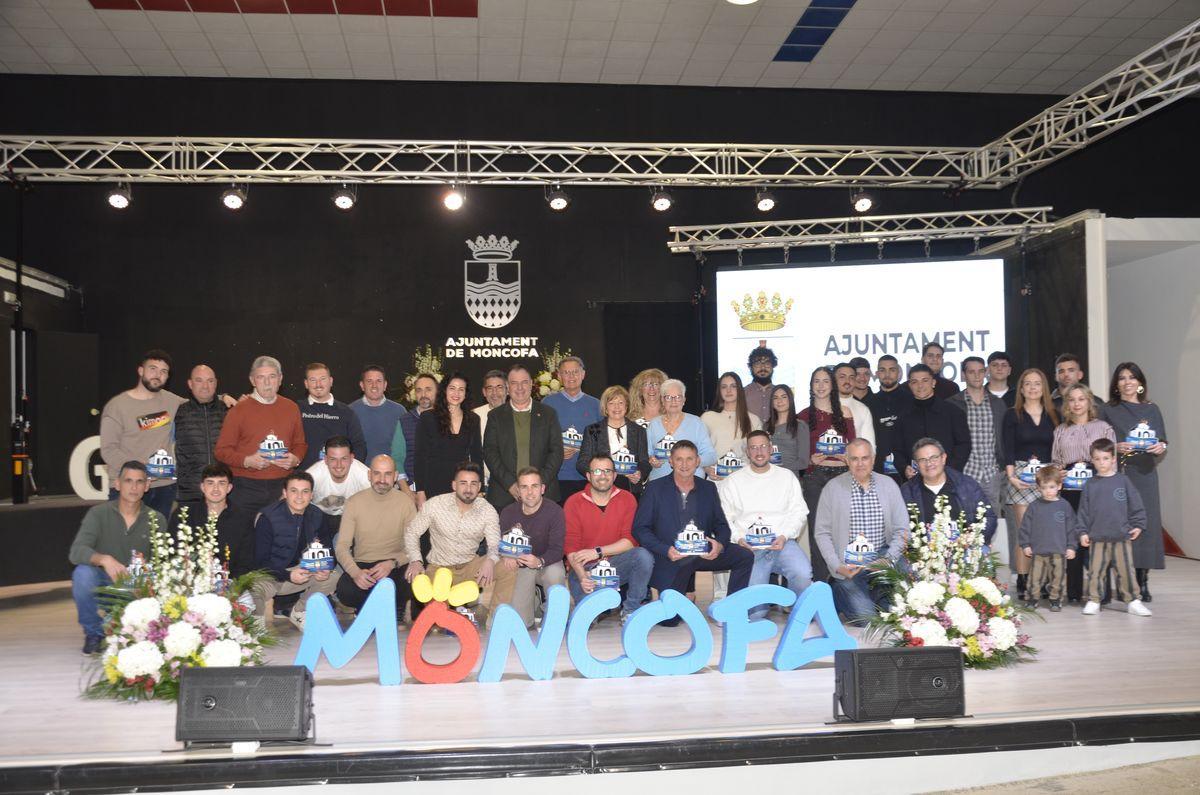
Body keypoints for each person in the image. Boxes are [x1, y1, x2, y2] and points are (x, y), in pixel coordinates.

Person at [632, 441, 754, 621]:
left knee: (744, 556)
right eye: (679, 459)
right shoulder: (654, 488)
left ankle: (733, 611)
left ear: (697, 461)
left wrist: (719, 544)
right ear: (671, 462)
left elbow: (721, 524)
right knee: (670, 621)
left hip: (701, 552)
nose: (684, 464)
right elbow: (640, 529)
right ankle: (668, 601)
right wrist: (665, 550)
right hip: (672, 557)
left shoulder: (708, 488)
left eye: (689, 459)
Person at [403, 462, 517, 628]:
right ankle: (450, 606)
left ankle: (496, 621)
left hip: (470, 567)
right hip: (439, 568)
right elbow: (412, 532)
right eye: (463, 483)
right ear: (454, 485)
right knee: (433, 615)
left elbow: (494, 544)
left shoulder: (487, 510)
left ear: (480, 487)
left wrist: (491, 560)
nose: (468, 489)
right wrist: (415, 560)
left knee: (508, 566)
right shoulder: (435, 504)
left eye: (473, 484)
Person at [68, 461, 161, 655]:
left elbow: (161, 563)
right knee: (82, 574)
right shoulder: (98, 514)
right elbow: (76, 552)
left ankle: (124, 628)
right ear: (117, 484)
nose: (133, 487)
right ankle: (94, 633)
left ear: (147, 486)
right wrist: (104, 559)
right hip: (104, 584)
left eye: (139, 482)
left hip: (136, 588)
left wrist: (145, 575)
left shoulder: (156, 519)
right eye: (128, 481)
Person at [813, 439, 909, 624]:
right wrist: (836, 565)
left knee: (898, 614)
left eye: (865, 458)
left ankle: (875, 592)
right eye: (854, 459)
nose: (860, 464)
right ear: (847, 460)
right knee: (869, 621)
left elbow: (902, 530)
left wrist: (888, 559)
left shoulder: (889, 485)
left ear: (873, 459)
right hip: (848, 566)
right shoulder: (832, 488)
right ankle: (840, 591)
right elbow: (822, 533)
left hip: (881, 558)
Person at [718, 430, 811, 618]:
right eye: (753, 447)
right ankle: (760, 606)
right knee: (753, 616)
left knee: (803, 573)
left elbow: (799, 511)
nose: (759, 452)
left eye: (763, 446)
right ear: (746, 451)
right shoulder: (733, 481)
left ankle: (795, 609)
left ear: (770, 448)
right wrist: (739, 539)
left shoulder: (787, 477)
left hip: (783, 543)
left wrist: (785, 536)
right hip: (752, 549)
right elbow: (724, 518)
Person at [1101, 362, 1168, 603]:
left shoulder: (1152, 409)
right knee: (1121, 526)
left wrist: (1161, 446)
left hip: (1146, 474)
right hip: (1120, 474)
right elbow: (1099, 444)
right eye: (1122, 378)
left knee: (1146, 527)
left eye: (1132, 377)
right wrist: (1114, 447)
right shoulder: (1108, 410)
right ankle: (1122, 580)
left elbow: (1163, 441)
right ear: (1116, 384)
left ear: (1140, 383)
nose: (1127, 382)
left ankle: (1142, 581)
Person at [564, 454, 655, 621]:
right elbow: (570, 547)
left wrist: (597, 552)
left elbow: (630, 541)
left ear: (614, 475)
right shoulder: (573, 502)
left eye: (607, 471)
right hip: (585, 570)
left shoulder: (627, 499)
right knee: (585, 619)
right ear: (588, 476)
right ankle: (592, 606)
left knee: (643, 556)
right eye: (597, 471)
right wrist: (583, 576)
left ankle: (630, 610)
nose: (603, 476)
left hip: (616, 567)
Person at [214, 355, 306, 515]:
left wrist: (295, 459)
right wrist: (247, 461)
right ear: (252, 380)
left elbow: (300, 444)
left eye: (272, 376)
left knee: (280, 538)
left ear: (280, 379)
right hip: (245, 487)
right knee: (244, 538)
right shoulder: (238, 411)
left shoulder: (291, 408)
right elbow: (221, 451)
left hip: (282, 486)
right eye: (261, 377)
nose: (267, 382)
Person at [99, 349, 185, 517]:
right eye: (152, 369)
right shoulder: (117, 406)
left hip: (163, 487)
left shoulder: (172, 401)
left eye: (163, 371)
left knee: (158, 541)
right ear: (140, 371)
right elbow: (108, 450)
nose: (157, 375)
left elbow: (200, 403)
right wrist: (139, 471)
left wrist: (223, 397)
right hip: (128, 487)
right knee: (123, 540)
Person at [250, 471, 338, 631]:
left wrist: (324, 568)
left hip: (303, 571)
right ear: (284, 493)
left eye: (305, 491)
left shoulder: (317, 515)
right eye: (293, 491)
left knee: (332, 577)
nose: (299, 497)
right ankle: (257, 620)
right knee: (256, 585)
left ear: (311, 495)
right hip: (273, 575)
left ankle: (299, 612)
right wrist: (288, 575)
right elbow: (260, 562)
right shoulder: (268, 518)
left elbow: (329, 552)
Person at [1051, 383, 1115, 603]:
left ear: (1089, 401)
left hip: (1096, 488)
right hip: (1070, 490)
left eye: (1081, 399)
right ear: (1067, 404)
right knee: (1073, 539)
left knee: (1097, 539)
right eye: (1072, 399)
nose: (1077, 403)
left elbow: (1111, 461)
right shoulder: (1060, 430)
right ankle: (1075, 592)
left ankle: (1102, 591)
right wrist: (1059, 473)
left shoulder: (1104, 428)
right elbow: (1057, 462)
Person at [334, 454, 418, 619]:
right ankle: (374, 609)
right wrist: (355, 573)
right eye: (377, 473)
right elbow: (342, 547)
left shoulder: (406, 503)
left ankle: (385, 608)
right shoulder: (354, 502)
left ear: (395, 476)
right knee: (345, 589)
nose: (382, 479)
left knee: (414, 581)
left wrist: (393, 563)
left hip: (395, 565)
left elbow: (413, 545)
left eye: (387, 474)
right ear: (369, 475)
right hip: (364, 567)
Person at [1077, 438, 1151, 617]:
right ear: (1092, 461)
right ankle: (1094, 600)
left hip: (1121, 536)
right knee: (1096, 571)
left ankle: (1133, 600)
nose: (1102, 463)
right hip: (1097, 537)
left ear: (1113, 459)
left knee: (1126, 570)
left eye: (1105, 458)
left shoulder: (1123, 481)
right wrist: (1082, 532)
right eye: (1097, 459)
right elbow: (1083, 512)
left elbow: (1136, 505)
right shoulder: (1090, 485)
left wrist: (1139, 525)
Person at [1001, 368, 1058, 601]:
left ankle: (1042, 580)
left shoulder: (1054, 415)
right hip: (1021, 477)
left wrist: (1054, 476)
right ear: (1021, 388)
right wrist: (1012, 476)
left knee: (1044, 532)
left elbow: (1058, 447)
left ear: (1043, 387)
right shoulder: (1012, 414)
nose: (1033, 387)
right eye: (1028, 383)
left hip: (1047, 477)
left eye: (1037, 383)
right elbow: (1007, 448)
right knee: (1025, 533)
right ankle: (1023, 580)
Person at [798, 366, 856, 584]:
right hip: (815, 478)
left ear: (832, 385)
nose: (821, 386)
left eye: (825, 381)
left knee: (844, 533)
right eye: (816, 381)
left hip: (842, 478)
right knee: (817, 535)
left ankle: (845, 588)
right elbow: (800, 454)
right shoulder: (803, 416)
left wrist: (847, 457)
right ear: (811, 386)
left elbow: (854, 448)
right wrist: (810, 460)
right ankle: (821, 589)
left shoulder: (846, 412)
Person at [483, 364, 564, 510]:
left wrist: (537, 485)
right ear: (508, 386)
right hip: (504, 494)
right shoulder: (495, 416)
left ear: (531, 384)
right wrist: (510, 484)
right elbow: (490, 452)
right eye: (514, 383)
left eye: (524, 382)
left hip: (544, 494)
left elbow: (557, 452)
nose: (519, 388)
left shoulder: (548, 414)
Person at [498, 468, 567, 628]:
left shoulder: (555, 511)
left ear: (542, 489)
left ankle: (552, 615)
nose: (530, 492)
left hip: (546, 562)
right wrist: (506, 555)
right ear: (518, 490)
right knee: (520, 623)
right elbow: (501, 542)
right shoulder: (508, 513)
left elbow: (558, 550)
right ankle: (534, 601)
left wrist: (539, 561)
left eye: (534, 486)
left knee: (555, 574)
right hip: (521, 566)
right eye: (524, 487)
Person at [901, 438, 998, 545]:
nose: (929, 463)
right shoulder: (907, 491)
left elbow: (989, 517)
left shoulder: (966, 484)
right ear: (916, 464)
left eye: (934, 457)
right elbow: (900, 527)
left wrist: (972, 537)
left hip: (966, 549)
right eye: (923, 460)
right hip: (924, 553)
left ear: (943, 458)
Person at [170, 462, 256, 578]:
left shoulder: (243, 519)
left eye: (221, 483)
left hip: (230, 584)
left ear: (229, 488)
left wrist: (230, 586)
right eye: (210, 483)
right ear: (202, 487)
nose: (216, 489)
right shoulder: (183, 515)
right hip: (188, 582)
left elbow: (246, 563)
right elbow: (173, 555)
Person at [947, 356, 1006, 518]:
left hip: (992, 473)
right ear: (963, 375)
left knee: (993, 522)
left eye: (980, 371)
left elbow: (1002, 437)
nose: (976, 375)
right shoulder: (952, 404)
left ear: (986, 373)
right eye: (971, 372)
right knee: (965, 520)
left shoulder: (997, 404)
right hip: (965, 471)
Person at [414, 373, 483, 508]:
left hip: (463, 487)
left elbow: (476, 456)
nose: (456, 393)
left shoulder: (473, 419)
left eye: (461, 389)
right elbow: (420, 457)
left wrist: (480, 490)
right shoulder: (427, 418)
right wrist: (420, 491)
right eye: (452, 388)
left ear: (466, 393)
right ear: (444, 390)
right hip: (433, 485)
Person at [893, 364, 971, 478]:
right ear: (909, 385)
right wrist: (904, 468)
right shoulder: (902, 415)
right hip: (915, 480)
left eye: (925, 380)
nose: (920, 385)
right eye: (914, 382)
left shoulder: (953, 412)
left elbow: (963, 445)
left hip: (949, 478)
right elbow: (897, 449)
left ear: (933, 382)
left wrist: (949, 470)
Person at [542, 356, 601, 503]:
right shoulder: (547, 403)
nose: (571, 376)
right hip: (556, 478)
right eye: (566, 373)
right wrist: (556, 450)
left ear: (583, 374)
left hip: (587, 477)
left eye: (575, 372)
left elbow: (601, 442)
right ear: (560, 376)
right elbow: (540, 440)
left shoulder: (596, 405)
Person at [1017, 465, 1076, 612]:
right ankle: (1032, 598)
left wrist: (1071, 547)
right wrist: (1025, 545)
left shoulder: (1065, 506)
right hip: (1038, 551)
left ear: (1059, 486)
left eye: (1051, 487)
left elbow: (1072, 529)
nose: (1048, 491)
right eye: (1044, 488)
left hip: (1059, 551)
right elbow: (1025, 528)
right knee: (1034, 578)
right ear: (1038, 488)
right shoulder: (1034, 506)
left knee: (1058, 578)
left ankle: (1055, 599)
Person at [576, 385, 650, 494]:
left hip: (630, 487)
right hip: (601, 486)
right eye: (611, 403)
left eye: (620, 403)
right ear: (605, 407)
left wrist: (639, 473)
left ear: (627, 406)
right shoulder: (592, 430)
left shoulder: (638, 430)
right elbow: (582, 463)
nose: (617, 407)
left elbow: (644, 462)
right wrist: (598, 474)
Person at [174, 364, 228, 504]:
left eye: (210, 381)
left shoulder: (229, 411)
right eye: (199, 380)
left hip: (222, 491)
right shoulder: (177, 411)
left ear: (216, 383)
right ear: (190, 384)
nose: (205, 386)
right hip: (190, 492)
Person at [645, 379, 717, 482]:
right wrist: (651, 460)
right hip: (659, 483)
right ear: (662, 400)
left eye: (678, 397)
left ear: (684, 400)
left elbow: (711, 456)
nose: (673, 401)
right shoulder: (654, 424)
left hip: (692, 482)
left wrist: (693, 460)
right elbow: (647, 454)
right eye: (668, 397)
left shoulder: (696, 423)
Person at [298, 363, 367, 470]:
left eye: (323, 379)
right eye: (313, 380)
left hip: (337, 477)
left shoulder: (346, 412)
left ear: (331, 381)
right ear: (306, 383)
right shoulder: (296, 409)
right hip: (304, 478)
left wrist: (347, 471)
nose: (318, 384)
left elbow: (359, 446)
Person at [351, 365, 410, 484]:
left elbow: (405, 450)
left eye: (378, 381)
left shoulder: (399, 411)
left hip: (390, 479)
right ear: (362, 385)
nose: (374, 385)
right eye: (369, 381)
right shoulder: (351, 411)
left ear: (385, 385)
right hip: (359, 479)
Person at [701, 371, 763, 481]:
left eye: (733, 386)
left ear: (739, 389)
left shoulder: (753, 419)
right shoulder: (707, 417)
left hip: (746, 478)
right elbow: (699, 449)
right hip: (717, 477)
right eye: (724, 387)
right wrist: (706, 468)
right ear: (719, 391)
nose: (728, 390)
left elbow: (759, 452)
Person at [307, 435, 371, 534]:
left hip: (353, 517)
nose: (339, 465)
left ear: (351, 458)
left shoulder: (364, 475)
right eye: (333, 459)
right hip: (320, 517)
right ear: (325, 459)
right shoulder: (313, 475)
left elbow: (384, 501)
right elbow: (288, 500)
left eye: (344, 459)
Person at [864, 355, 912, 482]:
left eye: (892, 370)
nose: (887, 374)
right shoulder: (869, 403)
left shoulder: (911, 400)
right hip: (878, 471)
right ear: (877, 373)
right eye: (882, 370)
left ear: (899, 372)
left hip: (908, 471)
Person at [765, 384, 809, 479]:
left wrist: (778, 469)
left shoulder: (800, 426)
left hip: (789, 478)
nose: (779, 401)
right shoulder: (766, 426)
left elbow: (803, 462)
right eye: (775, 398)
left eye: (784, 397)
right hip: (767, 478)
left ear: (790, 399)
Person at [474, 369, 507, 486]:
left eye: (499, 387)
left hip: (512, 483)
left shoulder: (517, 414)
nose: (495, 393)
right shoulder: (474, 416)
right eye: (490, 388)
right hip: (483, 484)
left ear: (507, 390)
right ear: (484, 392)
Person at [834, 362, 875, 449]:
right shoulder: (823, 406)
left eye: (851, 377)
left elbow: (870, 446)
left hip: (856, 461)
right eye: (842, 377)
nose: (847, 381)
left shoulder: (863, 409)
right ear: (833, 380)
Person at [744, 345, 777, 424]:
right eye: (758, 364)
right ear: (751, 367)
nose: (763, 367)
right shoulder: (742, 393)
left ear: (773, 366)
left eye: (767, 363)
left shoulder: (780, 393)